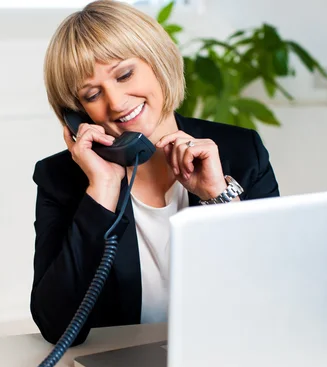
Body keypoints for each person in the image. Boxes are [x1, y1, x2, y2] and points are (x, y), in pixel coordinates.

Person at [30, 0, 279, 346]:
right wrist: (102, 187)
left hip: (227, 352)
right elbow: (56, 326)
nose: (115, 102)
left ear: (158, 62)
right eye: (92, 94)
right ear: (77, 114)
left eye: (124, 74)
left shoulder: (240, 151)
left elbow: (277, 293)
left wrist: (218, 196)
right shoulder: (61, 178)